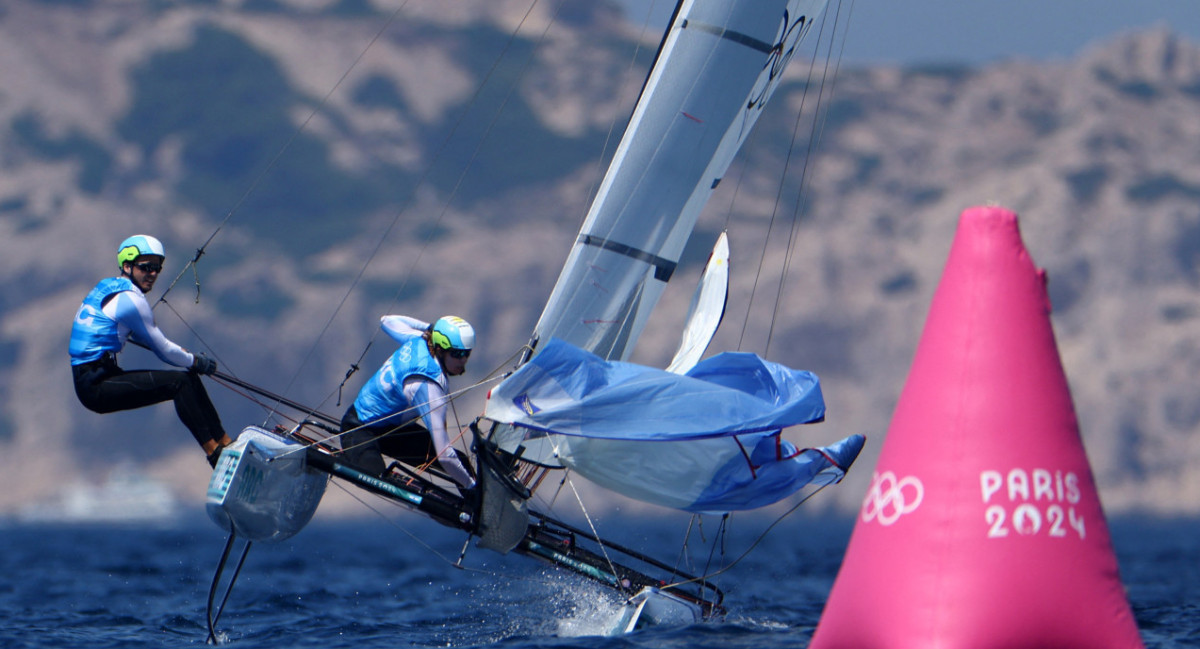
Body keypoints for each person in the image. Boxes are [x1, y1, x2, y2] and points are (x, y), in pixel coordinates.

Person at [70, 234, 233, 468]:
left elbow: (134, 334)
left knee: (186, 378)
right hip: (95, 385)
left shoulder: (110, 287)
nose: (153, 274)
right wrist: (196, 361)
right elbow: (163, 350)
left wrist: (188, 361)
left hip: (101, 374)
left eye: (157, 268)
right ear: (127, 266)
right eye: (146, 267)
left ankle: (226, 443)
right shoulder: (130, 301)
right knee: (180, 382)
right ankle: (216, 454)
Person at [339, 315, 476, 491]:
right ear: (440, 349)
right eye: (457, 354)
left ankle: (486, 508)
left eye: (467, 353)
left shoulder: (420, 341)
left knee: (462, 462)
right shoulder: (427, 384)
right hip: (359, 428)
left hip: (392, 430)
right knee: (380, 483)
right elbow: (444, 456)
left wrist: (429, 328)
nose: (463, 360)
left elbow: (387, 321)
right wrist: (471, 486)